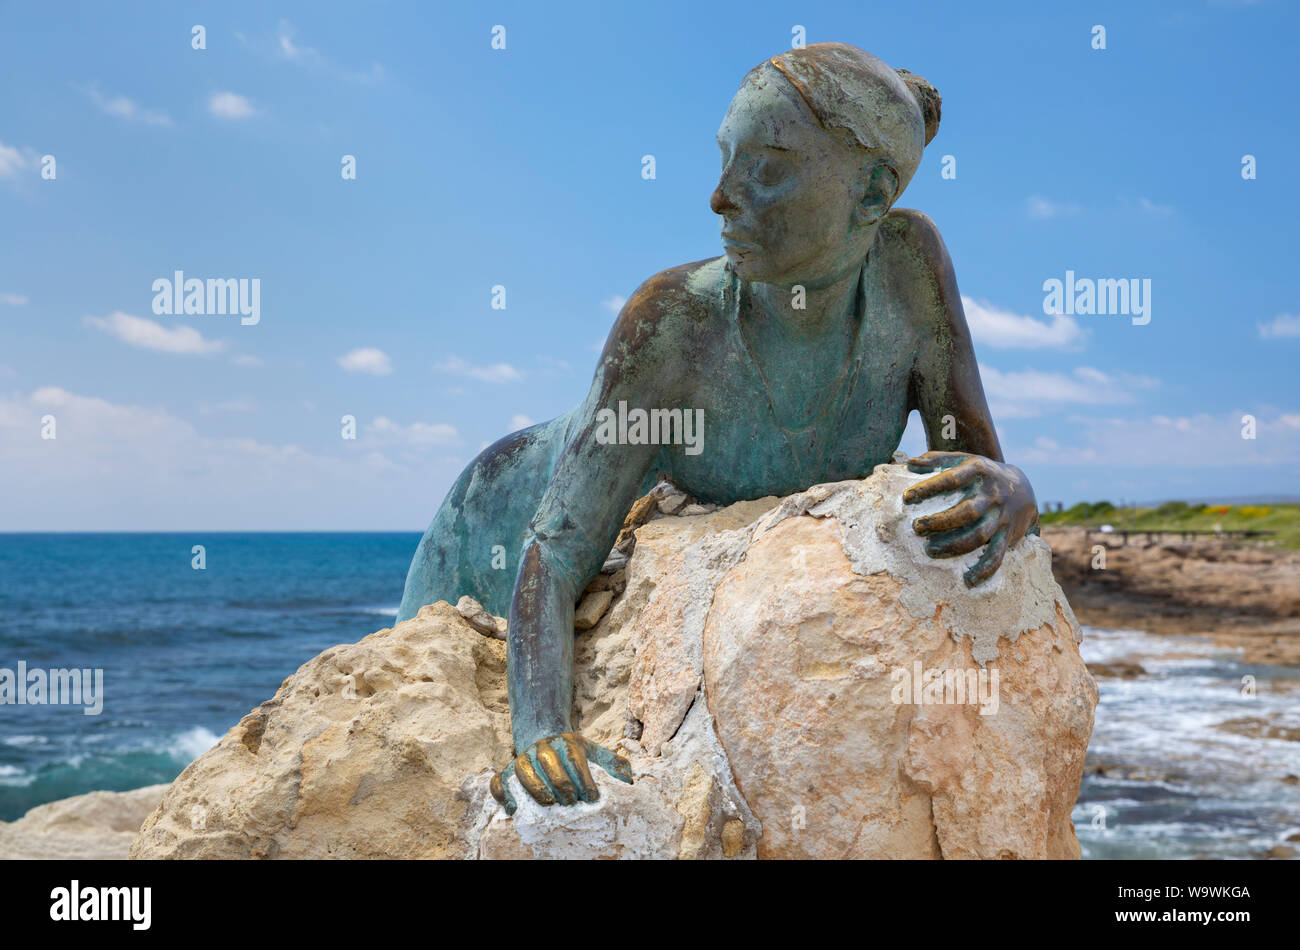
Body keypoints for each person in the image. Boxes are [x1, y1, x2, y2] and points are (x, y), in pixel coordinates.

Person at [397, 43, 1039, 814]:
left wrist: (1015, 491)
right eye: (725, 160)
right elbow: (555, 550)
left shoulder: (910, 267)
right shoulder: (671, 322)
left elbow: (976, 461)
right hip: (496, 508)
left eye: (766, 166)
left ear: (871, 194)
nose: (720, 197)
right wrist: (542, 732)